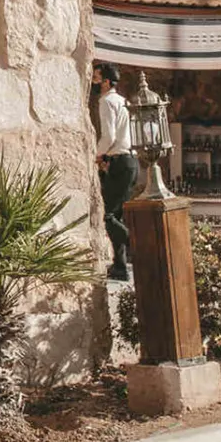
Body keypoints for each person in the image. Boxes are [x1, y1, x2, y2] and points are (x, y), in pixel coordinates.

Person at [94, 61, 138, 283]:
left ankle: (139, 245)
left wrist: (97, 154)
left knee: (109, 216)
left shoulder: (106, 102)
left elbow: (109, 136)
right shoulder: (123, 101)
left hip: (120, 163)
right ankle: (120, 266)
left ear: (106, 82)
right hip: (130, 162)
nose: (93, 81)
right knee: (117, 215)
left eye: (96, 78)